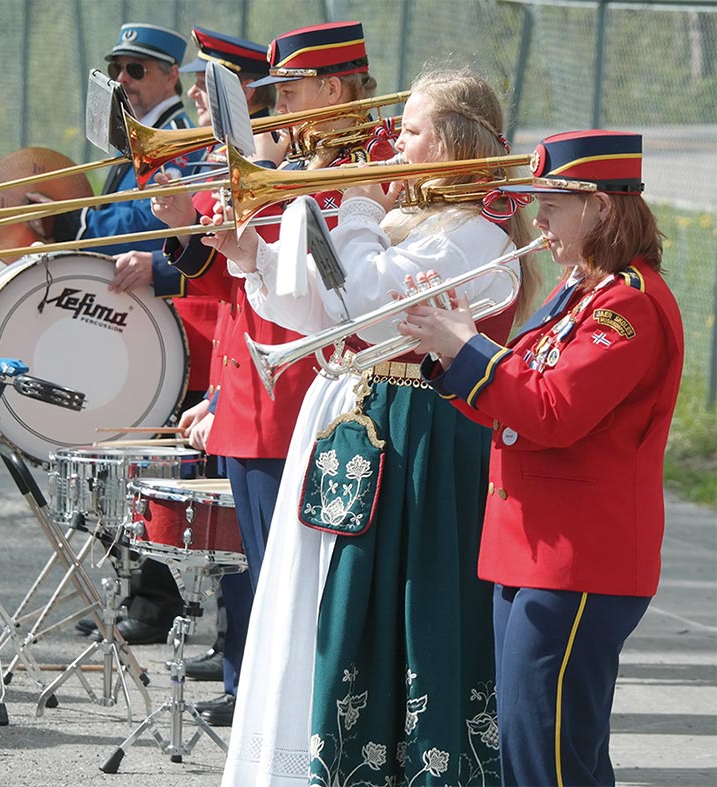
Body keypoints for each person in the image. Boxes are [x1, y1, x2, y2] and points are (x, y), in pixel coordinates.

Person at [205, 67, 542, 785]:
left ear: (451, 142)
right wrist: (253, 261)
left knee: (412, 609)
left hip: (426, 440)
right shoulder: (415, 221)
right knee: (344, 605)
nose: (393, 143)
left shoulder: (476, 237)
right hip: (378, 423)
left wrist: (355, 209)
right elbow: (332, 315)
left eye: (412, 131)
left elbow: (367, 302)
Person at [398, 129, 684, 787]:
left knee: (544, 760)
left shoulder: (627, 305)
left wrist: (471, 345)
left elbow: (553, 412)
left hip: (579, 559)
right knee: (551, 753)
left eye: (552, 203)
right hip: (534, 554)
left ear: (603, 208)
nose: (539, 219)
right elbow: (514, 405)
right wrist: (450, 355)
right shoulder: (579, 292)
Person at [152, 21, 397, 728]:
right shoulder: (303, 159)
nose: (278, 105)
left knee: (321, 585)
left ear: (330, 86)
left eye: (287, 89)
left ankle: (321, 721)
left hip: (328, 391)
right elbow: (242, 280)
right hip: (278, 384)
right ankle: (287, 716)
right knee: (277, 575)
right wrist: (202, 230)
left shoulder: (374, 157)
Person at [40, 22, 208, 646]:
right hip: (132, 313)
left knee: (149, 460)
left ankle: (158, 599)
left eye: (137, 71)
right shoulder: (133, 139)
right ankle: (135, 588)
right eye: (118, 69)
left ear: (172, 75)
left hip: (174, 323)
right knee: (119, 455)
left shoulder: (183, 141)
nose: (123, 82)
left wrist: (82, 213)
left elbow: (157, 210)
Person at [163, 25, 277, 687]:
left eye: (209, 86)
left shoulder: (260, 163)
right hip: (233, 372)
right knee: (240, 549)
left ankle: (248, 678)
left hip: (261, 382)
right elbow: (224, 277)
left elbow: (248, 284)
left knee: (257, 553)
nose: (196, 99)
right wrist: (183, 226)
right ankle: (239, 664)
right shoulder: (230, 160)